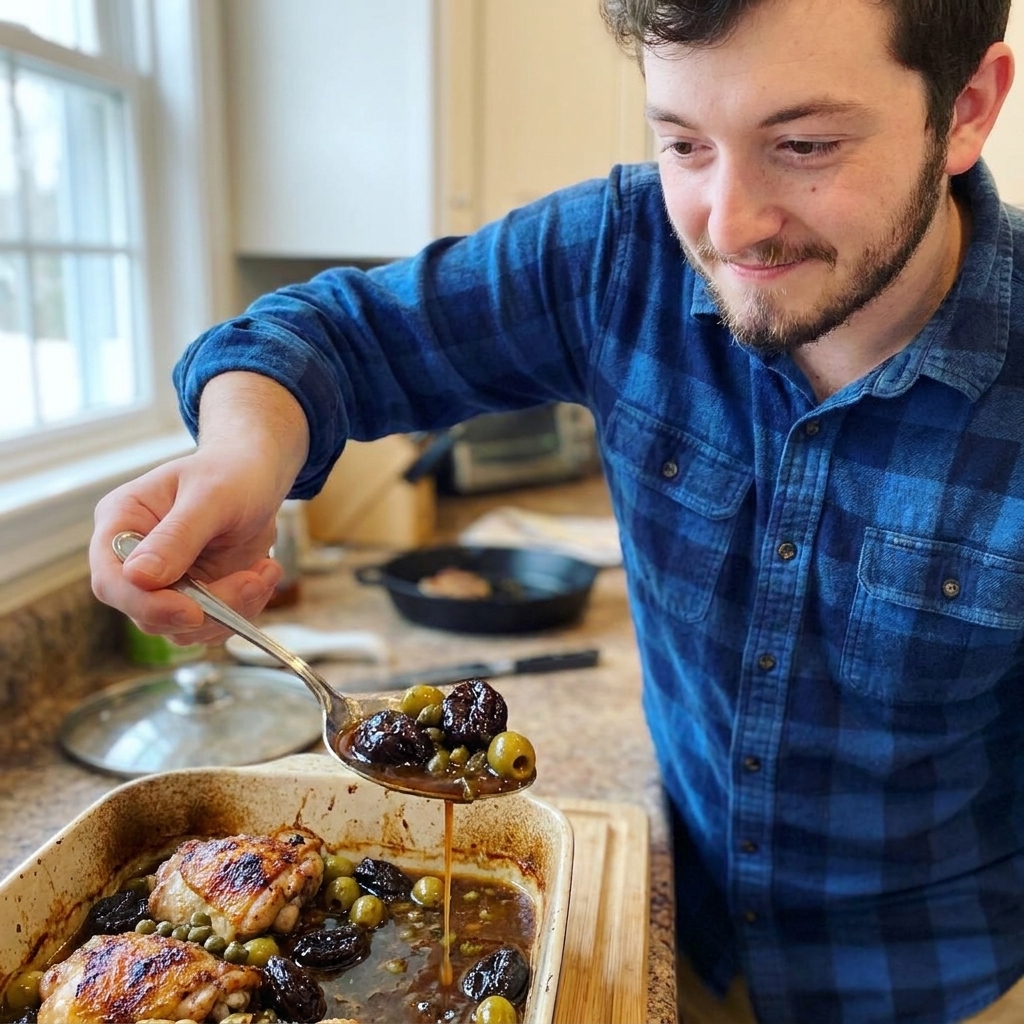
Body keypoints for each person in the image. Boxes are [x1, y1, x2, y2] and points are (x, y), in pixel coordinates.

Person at [89, 0, 1023, 1020]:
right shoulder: (616, 254)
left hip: (939, 982)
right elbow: (325, 336)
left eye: (803, 144)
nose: (727, 222)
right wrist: (241, 452)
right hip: (680, 933)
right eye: (682, 143)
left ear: (966, 107)